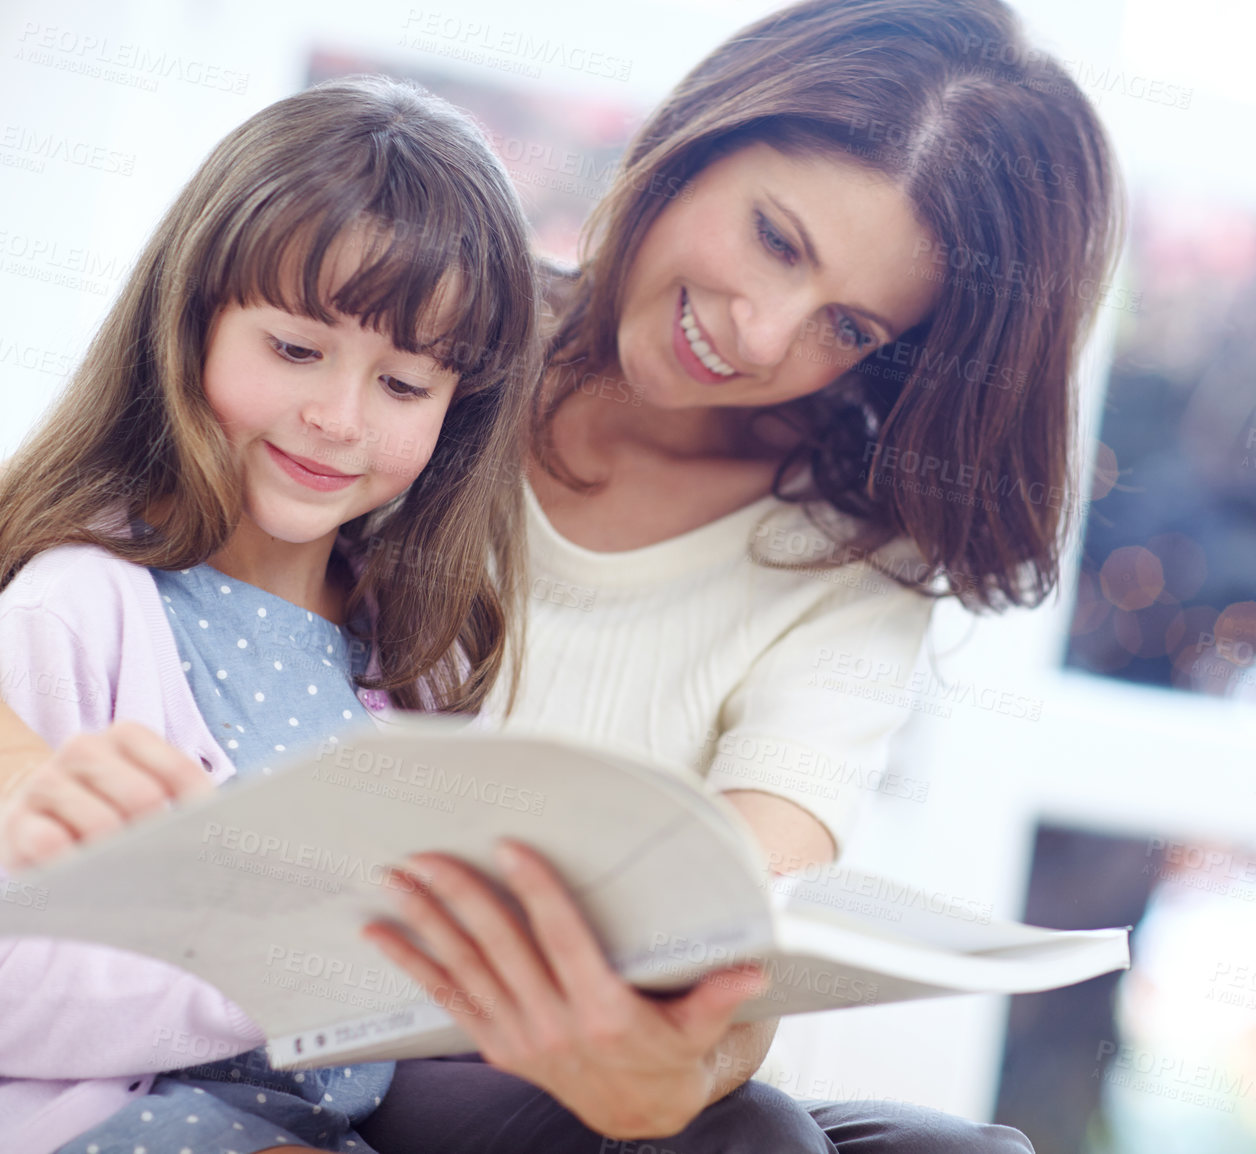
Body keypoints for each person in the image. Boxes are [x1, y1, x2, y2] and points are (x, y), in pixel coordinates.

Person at [0, 0, 1124, 1148]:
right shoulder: (424, 335)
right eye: (776, 239)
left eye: (850, 325)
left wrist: (677, 1067)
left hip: (539, 1044)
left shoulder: (843, 561)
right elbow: (93, 541)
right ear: (696, 140)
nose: (763, 333)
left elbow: (733, 933)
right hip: (340, 1046)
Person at [0, 76, 546, 1154]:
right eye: (295, 350)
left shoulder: (412, 662)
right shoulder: (80, 606)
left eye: (404, 384)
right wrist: (305, 964)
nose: (338, 419)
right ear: (192, 321)